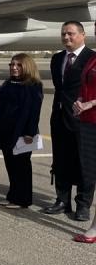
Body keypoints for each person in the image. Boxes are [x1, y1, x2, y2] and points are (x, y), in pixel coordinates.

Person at [43, 21, 95, 221]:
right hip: (59, 117)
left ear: (83, 35)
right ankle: (62, 200)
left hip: (84, 119)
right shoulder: (57, 59)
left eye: (71, 33)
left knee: (85, 163)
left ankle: (83, 204)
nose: (66, 37)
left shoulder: (92, 58)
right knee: (61, 161)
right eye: (63, 34)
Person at [0, 53, 42, 209]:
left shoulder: (33, 85)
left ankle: (23, 200)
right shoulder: (8, 83)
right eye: (12, 64)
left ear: (27, 66)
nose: (14, 67)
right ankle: (13, 196)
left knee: (22, 167)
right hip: (6, 131)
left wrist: (30, 132)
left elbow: (34, 111)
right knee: (11, 166)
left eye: (18, 65)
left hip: (22, 133)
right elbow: (0, 106)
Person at [73, 22, 96, 243]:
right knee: (90, 173)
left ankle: (95, 228)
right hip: (88, 123)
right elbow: (85, 86)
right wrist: (80, 99)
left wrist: (91, 103)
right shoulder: (93, 58)